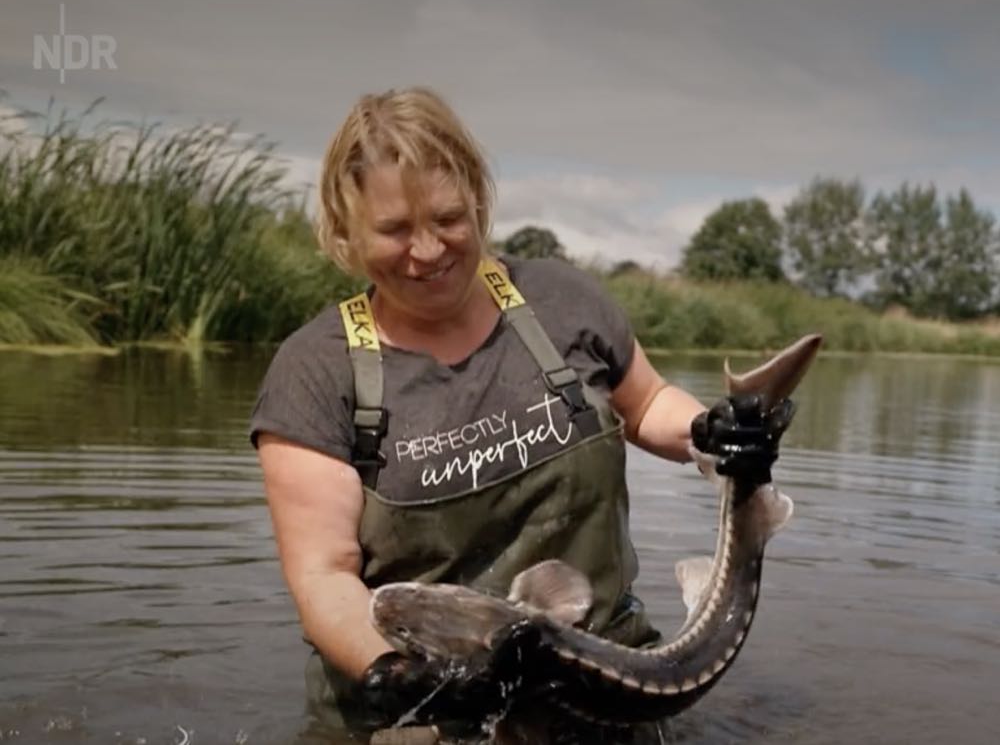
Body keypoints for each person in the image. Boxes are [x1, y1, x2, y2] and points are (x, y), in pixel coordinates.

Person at [250, 87, 785, 742]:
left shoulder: (561, 300)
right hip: (422, 709)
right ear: (344, 233)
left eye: (447, 218)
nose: (426, 251)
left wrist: (708, 432)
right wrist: (392, 671)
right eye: (393, 229)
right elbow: (323, 574)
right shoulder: (316, 369)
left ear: (478, 199)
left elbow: (645, 402)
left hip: (607, 689)